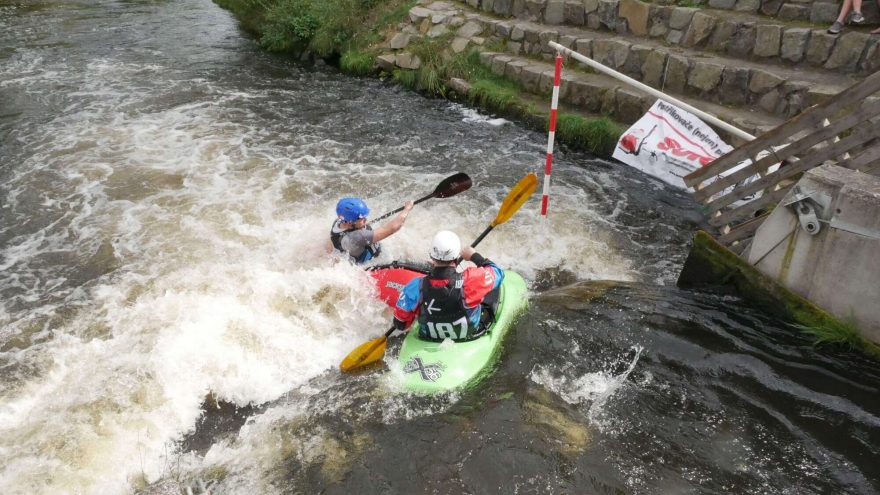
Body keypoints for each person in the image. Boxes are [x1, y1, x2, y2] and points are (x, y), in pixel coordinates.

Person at [391, 230, 504, 342]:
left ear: (431, 255)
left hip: (429, 337)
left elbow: (400, 324)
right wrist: (474, 256)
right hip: (469, 335)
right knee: (493, 291)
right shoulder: (472, 280)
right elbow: (498, 272)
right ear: (456, 256)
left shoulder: (415, 286)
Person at [331, 197, 414, 264]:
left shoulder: (339, 223)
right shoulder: (357, 237)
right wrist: (407, 209)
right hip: (369, 266)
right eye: (362, 218)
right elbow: (393, 228)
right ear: (349, 222)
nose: (366, 220)